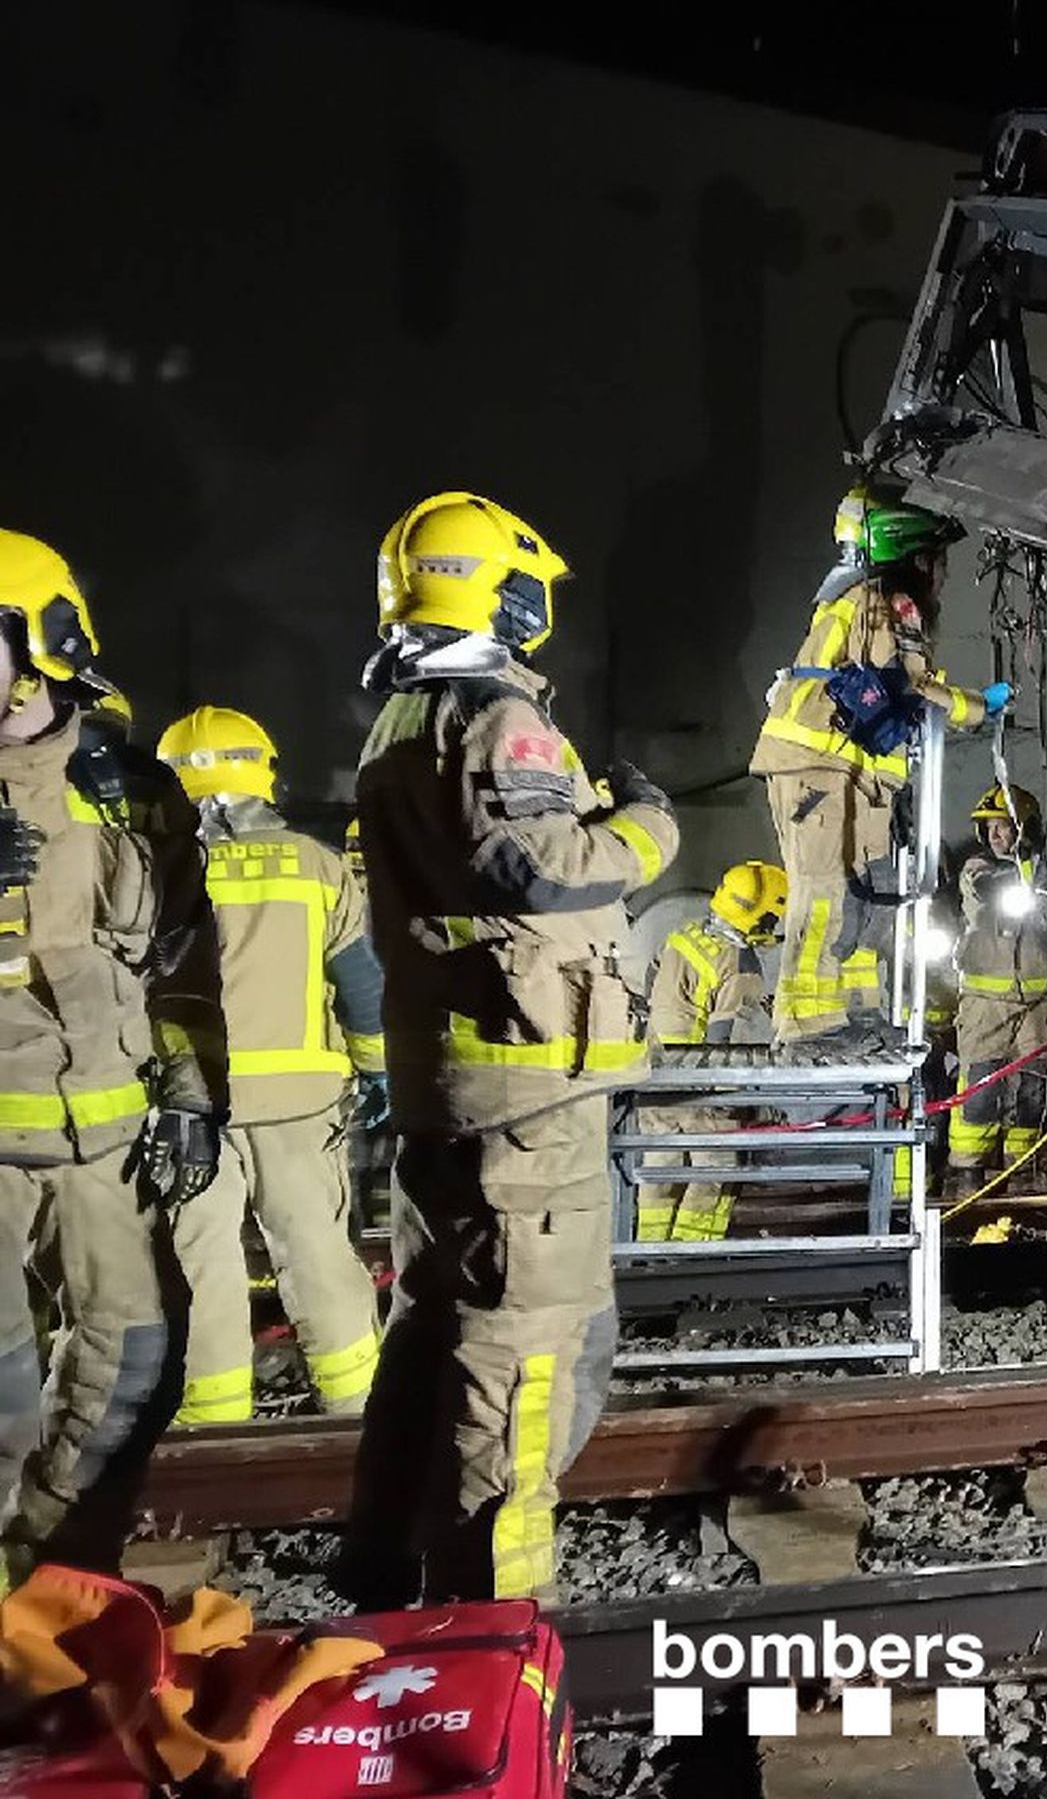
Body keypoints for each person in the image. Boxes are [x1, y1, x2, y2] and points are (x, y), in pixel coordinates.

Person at [338, 490, 678, 1606]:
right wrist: (646, 825)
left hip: (462, 1082)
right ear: (500, 591)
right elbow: (537, 868)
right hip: (528, 1098)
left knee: (433, 1328)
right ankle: (492, 1624)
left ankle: (386, 1574)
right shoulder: (496, 719)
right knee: (527, 1353)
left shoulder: (400, 720)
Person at [0, 530, 226, 1587]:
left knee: (137, 1364)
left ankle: (46, 1585)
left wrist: (188, 1090)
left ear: (42, 642)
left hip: (106, 1140)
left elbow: (180, 963)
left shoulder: (131, 790)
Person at [156, 705, 386, 1424]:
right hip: (301, 1103)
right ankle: (355, 1410)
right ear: (264, 774)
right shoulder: (316, 865)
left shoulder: (154, 869)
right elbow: (361, 984)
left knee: (202, 1264)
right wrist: (380, 1072)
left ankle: (213, 1421)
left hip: (192, 1105)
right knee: (318, 1253)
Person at [749, 485, 1005, 1057]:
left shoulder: (863, 600)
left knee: (856, 896)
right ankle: (803, 1026)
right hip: (821, 767)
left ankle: (845, 1016)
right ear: (912, 557)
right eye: (936, 560)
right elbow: (913, 685)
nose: (941, 575)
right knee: (821, 892)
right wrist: (978, 707)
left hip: (850, 773)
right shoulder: (886, 601)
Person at [637, 861, 786, 1242]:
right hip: (701, 1083)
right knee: (716, 1172)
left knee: (660, 1168)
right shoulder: (740, 964)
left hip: (655, 1075)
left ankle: (648, 1252)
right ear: (761, 916)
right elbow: (727, 1044)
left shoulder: (683, 935)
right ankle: (693, 1254)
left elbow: (650, 989)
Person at [946, 784, 1047, 1196]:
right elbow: (991, 889)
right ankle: (968, 1172)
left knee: (1033, 1088)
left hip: (1037, 1004)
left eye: (1002, 828)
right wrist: (1032, 870)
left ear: (1026, 828)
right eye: (989, 829)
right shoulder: (977, 869)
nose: (994, 837)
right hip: (986, 1004)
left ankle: (1021, 1168)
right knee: (980, 1089)